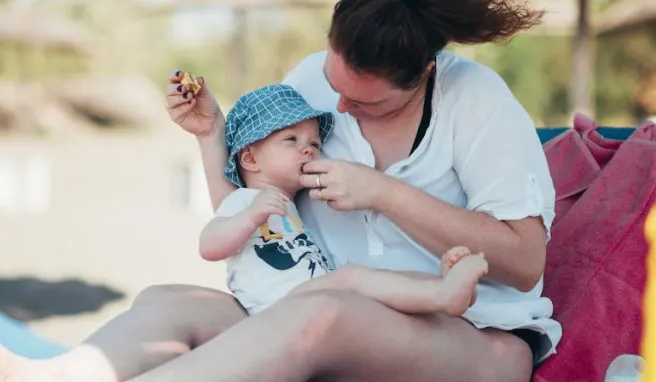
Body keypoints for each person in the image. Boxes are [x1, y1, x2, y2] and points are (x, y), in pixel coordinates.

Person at [0, 0, 559, 382]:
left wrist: (385, 193)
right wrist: (211, 134)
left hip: (467, 342)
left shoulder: (475, 102)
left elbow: (524, 259)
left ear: (422, 73)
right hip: (311, 309)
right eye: (335, 84)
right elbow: (254, 213)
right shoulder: (312, 80)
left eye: (363, 103)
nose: (338, 108)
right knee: (171, 303)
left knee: (323, 317)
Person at [204, 82, 488, 317]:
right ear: (250, 158)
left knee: (380, 278)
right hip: (277, 308)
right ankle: (442, 296)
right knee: (352, 277)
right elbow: (209, 246)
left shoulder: (290, 205)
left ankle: (447, 285)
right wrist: (251, 216)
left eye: (314, 144)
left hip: (311, 301)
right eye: (291, 140)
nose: (308, 151)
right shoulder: (244, 200)